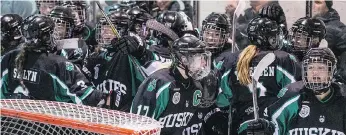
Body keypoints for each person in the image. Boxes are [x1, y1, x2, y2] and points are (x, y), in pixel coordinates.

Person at [215, 16, 301, 134]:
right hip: (272, 125)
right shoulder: (283, 59)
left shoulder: (230, 60)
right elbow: (295, 92)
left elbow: (222, 101)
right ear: (270, 39)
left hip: (241, 124)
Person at [0, 14, 107, 107]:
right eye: (53, 32)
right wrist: (105, 97)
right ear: (46, 36)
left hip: (13, 125)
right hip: (47, 127)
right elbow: (88, 97)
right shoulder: (57, 64)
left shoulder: (9, 58)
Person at [131, 35, 221, 134]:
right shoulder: (160, 83)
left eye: (204, 58)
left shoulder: (196, 88)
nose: (204, 63)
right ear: (184, 59)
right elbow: (137, 125)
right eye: (200, 58)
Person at [264, 47, 346, 135]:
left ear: (331, 71)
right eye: (310, 67)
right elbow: (273, 125)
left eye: (320, 67)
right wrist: (264, 128)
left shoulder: (343, 98)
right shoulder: (293, 95)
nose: (315, 72)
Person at [312, 0, 346, 83]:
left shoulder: (338, 28)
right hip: (312, 73)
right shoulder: (312, 24)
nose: (314, 6)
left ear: (327, 5)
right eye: (314, 2)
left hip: (330, 78)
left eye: (318, 2)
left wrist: (340, 76)